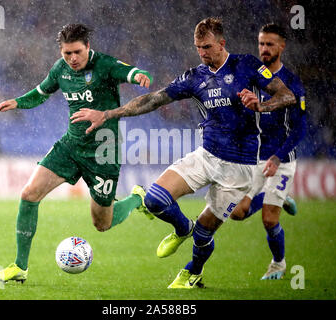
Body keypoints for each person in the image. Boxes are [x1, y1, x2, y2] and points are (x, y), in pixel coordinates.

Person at [71, 17, 297, 289]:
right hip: (206, 156)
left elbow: (287, 96)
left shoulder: (246, 65)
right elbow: (154, 99)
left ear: (222, 43)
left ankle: (194, 271)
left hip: (239, 166)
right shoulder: (195, 77)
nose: (202, 53)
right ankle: (182, 228)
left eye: (207, 47)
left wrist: (263, 106)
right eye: (198, 47)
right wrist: (108, 114)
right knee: (154, 199)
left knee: (206, 232)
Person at [0, 23, 154, 284]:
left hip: (103, 152)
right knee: (29, 194)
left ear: (88, 47)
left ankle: (136, 198)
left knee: (102, 223)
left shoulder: (105, 65)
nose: (72, 59)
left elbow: (132, 72)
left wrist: (140, 76)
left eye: (77, 52)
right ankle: (20, 267)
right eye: (67, 53)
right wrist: (17, 102)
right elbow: (42, 92)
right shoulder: (61, 69)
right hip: (71, 146)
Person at [229, 23, 307, 280]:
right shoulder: (251, 75)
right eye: (261, 43)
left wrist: (277, 157)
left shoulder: (292, 83)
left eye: (270, 44)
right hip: (253, 157)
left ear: (281, 47)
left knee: (269, 219)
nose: (264, 48)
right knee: (237, 212)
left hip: (281, 159)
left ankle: (278, 263)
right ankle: (279, 197)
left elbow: (299, 130)